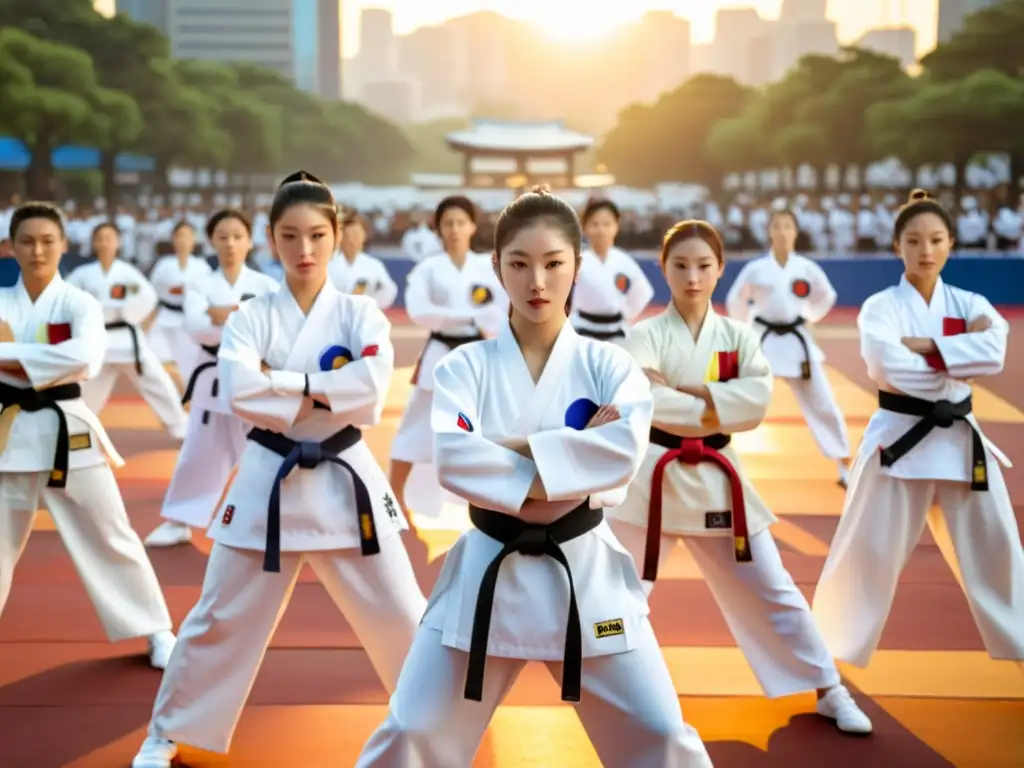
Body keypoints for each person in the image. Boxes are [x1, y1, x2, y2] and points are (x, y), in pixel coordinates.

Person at [356, 188, 713, 768]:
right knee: (411, 732)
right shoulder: (463, 367)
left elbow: (620, 454)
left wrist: (500, 447)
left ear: (578, 264)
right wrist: (569, 453)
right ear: (497, 266)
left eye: (553, 263)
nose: (537, 282)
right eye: (519, 264)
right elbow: (453, 460)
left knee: (662, 734)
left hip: (584, 568)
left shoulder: (611, 366)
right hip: (486, 573)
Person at [130, 172, 427, 768]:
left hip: (346, 478)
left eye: (317, 234)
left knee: (403, 612)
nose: (305, 250)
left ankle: (439, 721)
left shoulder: (361, 314)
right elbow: (240, 389)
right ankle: (167, 729)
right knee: (219, 613)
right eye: (289, 236)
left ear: (337, 234)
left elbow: (369, 390)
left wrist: (285, 381)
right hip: (269, 476)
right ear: (271, 238)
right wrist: (321, 390)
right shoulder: (250, 316)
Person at [607, 220, 872, 735]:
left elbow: (755, 402)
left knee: (773, 587)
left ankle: (828, 688)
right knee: (617, 593)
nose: (692, 277)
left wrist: (683, 394)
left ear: (720, 270)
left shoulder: (738, 336)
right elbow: (641, 399)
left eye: (704, 266)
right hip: (650, 484)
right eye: (680, 265)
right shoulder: (643, 336)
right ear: (663, 269)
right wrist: (714, 396)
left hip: (718, 479)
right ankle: (615, 696)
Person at [812, 190, 1023, 667]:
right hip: (898, 440)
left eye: (936, 239)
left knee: (1000, 554)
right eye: (914, 240)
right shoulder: (879, 308)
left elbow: (995, 352)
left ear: (951, 243)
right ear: (896, 246)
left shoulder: (971, 301)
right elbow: (891, 368)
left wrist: (927, 344)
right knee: (864, 554)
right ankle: (824, 661)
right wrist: (956, 356)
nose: (925, 250)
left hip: (960, 442)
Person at [0, 202, 176, 668]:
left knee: (112, 534)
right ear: (11, 247)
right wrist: (42, 358)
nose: (37, 251)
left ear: (63, 245)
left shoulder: (80, 303)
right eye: (27, 242)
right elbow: (65, 358)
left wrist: (9, 353)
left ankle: (157, 629)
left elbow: (86, 360)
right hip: (8, 435)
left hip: (70, 431)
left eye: (47, 241)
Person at [144, 209, 280, 548]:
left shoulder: (266, 285)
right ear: (212, 241)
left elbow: (272, 331)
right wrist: (244, 315)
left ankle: (268, 522)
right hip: (213, 377)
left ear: (250, 241)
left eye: (237, 236)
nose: (231, 244)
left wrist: (222, 314)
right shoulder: (199, 284)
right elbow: (197, 329)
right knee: (198, 451)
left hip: (253, 378)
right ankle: (180, 520)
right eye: (223, 236)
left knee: (264, 452)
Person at [389, 195, 507, 529]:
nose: (454, 230)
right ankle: (394, 497)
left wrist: (478, 319)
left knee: (487, 429)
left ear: (472, 226)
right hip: (439, 355)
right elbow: (419, 311)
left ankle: (492, 504)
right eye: (447, 223)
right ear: (438, 229)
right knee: (414, 426)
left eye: (460, 222)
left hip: (477, 356)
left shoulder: (488, 267)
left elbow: (499, 312)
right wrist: (468, 314)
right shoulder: (427, 269)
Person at [724, 209, 852, 487]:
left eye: (787, 226)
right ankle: (721, 460)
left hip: (796, 342)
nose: (782, 232)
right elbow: (736, 299)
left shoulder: (806, 268)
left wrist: (809, 316)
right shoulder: (756, 269)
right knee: (738, 399)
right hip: (763, 340)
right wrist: (745, 329)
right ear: (769, 232)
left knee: (824, 403)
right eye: (777, 226)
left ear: (795, 231)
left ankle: (844, 466)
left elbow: (827, 296)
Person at [65, 223, 189, 440]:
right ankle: (76, 430)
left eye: (109, 238)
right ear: (94, 243)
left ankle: (179, 426)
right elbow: (65, 298)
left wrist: (127, 313)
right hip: (97, 340)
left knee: (157, 380)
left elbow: (148, 297)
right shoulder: (82, 274)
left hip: (126, 339)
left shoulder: (127, 273)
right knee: (87, 390)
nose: (105, 243)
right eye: (100, 238)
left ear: (118, 242)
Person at [569, 199, 654, 343]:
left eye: (607, 224)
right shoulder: (578, 261)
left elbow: (643, 291)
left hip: (616, 329)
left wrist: (626, 313)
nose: (601, 230)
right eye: (595, 224)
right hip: (581, 327)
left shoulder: (623, 260)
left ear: (616, 227)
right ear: (584, 228)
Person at [146, 220, 212, 386]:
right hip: (166, 317)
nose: (183, 240)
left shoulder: (202, 267)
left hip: (191, 319)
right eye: (179, 236)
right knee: (162, 360)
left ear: (194, 239)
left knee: (190, 364)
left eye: (187, 236)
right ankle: (174, 392)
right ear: (173, 239)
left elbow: (208, 294)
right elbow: (152, 294)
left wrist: (187, 291)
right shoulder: (163, 265)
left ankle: (188, 398)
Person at [328, 210, 398, 309]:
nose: (351, 240)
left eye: (356, 235)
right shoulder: (327, 263)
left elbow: (388, 291)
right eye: (348, 235)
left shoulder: (373, 265)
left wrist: (371, 305)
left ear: (364, 236)